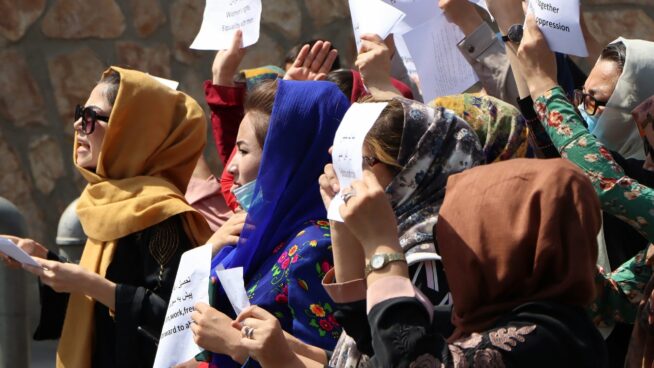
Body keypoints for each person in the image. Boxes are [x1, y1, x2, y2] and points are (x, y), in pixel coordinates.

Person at [233, 159, 609, 368]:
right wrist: (342, 224)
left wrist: (383, 247)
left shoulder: (549, 338)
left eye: (464, 233)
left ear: (507, 242)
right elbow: (373, 337)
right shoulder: (489, 319)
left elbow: (411, 360)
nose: (451, 250)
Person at [1, 67, 212, 367]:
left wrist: (88, 284)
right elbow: (96, 308)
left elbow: (175, 317)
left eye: (90, 117)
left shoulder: (161, 212)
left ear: (130, 132)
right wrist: (44, 260)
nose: (77, 125)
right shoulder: (109, 201)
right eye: (79, 113)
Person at [190, 79, 349, 367]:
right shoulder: (262, 234)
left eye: (244, 150)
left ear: (284, 159)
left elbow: (332, 361)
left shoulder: (318, 248)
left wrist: (233, 344)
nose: (231, 167)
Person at [318, 96, 483, 367]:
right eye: (341, 159)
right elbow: (363, 333)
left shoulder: (431, 253)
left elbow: (396, 354)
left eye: (359, 163)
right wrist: (340, 224)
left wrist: (379, 246)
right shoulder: (394, 230)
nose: (344, 174)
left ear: (412, 169)